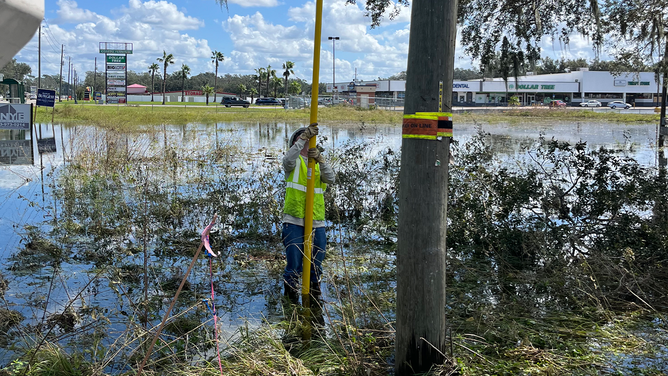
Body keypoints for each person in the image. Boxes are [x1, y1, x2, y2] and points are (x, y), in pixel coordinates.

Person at [282, 123, 335, 304]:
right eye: (301, 137)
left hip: (316, 221)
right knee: (294, 265)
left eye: (308, 137)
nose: (305, 140)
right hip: (294, 220)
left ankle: (314, 300)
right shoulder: (293, 161)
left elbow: (331, 178)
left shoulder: (317, 162)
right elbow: (287, 160)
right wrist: (302, 139)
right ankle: (290, 303)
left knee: (315, 264)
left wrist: (320, 159)